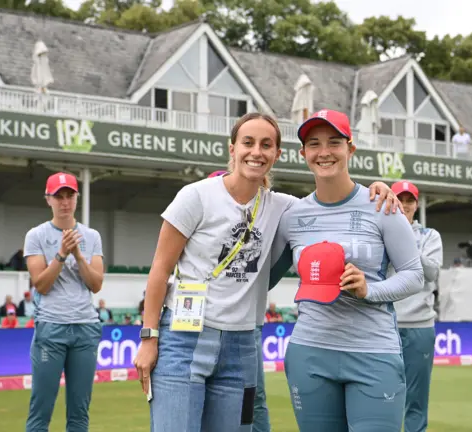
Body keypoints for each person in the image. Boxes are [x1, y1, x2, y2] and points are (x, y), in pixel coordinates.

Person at [132, 112, 402, 432]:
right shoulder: (196, 196)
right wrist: (149, 338)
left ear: (277, 154)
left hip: (241, 345)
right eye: (248, 143)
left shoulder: (285, 207)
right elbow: (160, 269)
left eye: (266, 145)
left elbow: (331, 201)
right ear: (232, 149)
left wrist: (376, 190)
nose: (256, 152)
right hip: (184, 335)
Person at [269, 109, 425, 432]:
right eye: (314, 144)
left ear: (350, 149)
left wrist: (370, 290)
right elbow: (264, 278)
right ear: (303, 154)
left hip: (374, 353)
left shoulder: (383, 205)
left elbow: (414, 274)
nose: (324, 152)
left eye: (334, 142)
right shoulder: (292, 215)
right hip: (310, 354)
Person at [23, 172, 104, 432]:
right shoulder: (36, 235)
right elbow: (41, 285)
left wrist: (78, 255)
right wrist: (60, 254)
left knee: (79, 414)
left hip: (85, 328)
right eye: (58, 196)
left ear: (77, 198)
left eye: (69, 195)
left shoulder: (91, 237)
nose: (65, 202)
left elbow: (96, 284)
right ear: (48, 199)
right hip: (51, 327)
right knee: (40, 412)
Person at [390, 180, 443, 432]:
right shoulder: (380, 231)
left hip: (420, 326)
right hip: (385, 324)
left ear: (416, 204)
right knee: (383, 394)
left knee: (416, 398)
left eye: (409, 200)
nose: (404, 205)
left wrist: (406, 242)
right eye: (399, 199)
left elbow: (432, 272)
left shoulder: (430, 236)